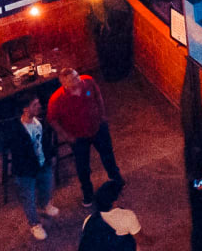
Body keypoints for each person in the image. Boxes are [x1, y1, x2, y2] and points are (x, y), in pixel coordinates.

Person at [49, 67, 123, 208]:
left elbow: (98, 97)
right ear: (64, 84)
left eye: (77, 76)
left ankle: (116, 179)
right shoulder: (56, 99)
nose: (77, 80)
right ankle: (87, 193)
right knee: (83, 167)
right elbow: (52, 120)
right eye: (72, 80)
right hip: (78, 138)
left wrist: (102, 116)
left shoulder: (88, 82)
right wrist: (66, 136)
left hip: (98, 128)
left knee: (107, 155)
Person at [8, 94, 61, 241]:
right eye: (35, 105)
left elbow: (45, 143)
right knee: (28, 199)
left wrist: (49, 158)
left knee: (47, 187)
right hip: (26, 171)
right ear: (25, 109)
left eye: (38, 103)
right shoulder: (17, 130)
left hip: (43, 164)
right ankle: (34, 224)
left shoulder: (40, 123)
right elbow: (19, 154)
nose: (39, 107)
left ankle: (45, 205)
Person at [78, 180, 138, 251]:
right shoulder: (127, 216)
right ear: (114, 202)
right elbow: (140, 239)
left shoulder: (88, 219)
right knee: (133, 242)